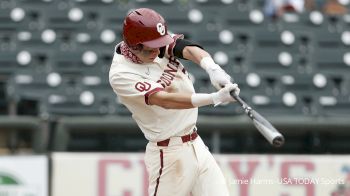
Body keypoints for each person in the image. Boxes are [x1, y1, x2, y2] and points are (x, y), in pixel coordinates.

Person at [109, 8, 240, 196]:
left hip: (196, 143)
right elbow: (164, 100)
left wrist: (212, 68)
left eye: (158, 44)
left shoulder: (152, 40)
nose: (157, 50)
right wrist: (214, 98)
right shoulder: (121, 73)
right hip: (169, 153)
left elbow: (186, 48)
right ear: (133, 45)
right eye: (150, 47)